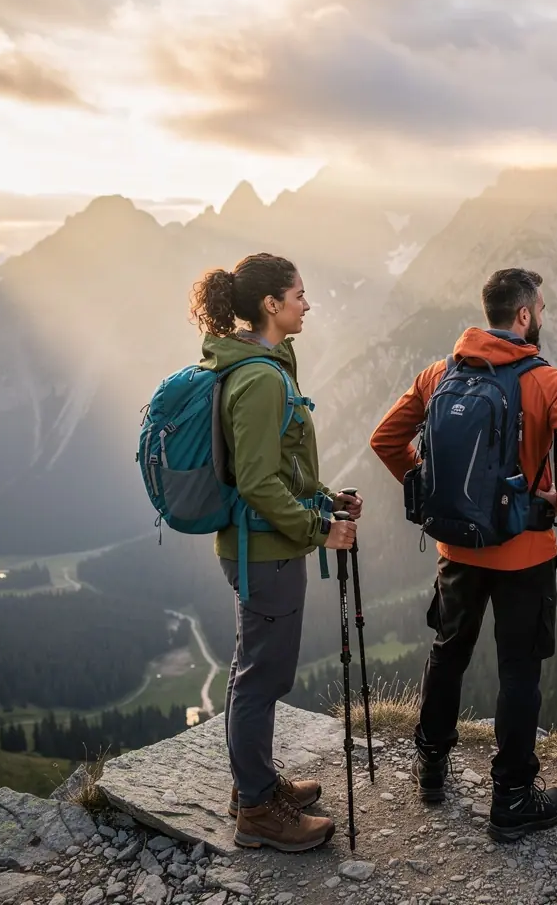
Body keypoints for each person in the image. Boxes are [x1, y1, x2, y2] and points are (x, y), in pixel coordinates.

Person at [370, 268, 557, 842]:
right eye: (542, 310)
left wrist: (429, 488)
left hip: (457, 547)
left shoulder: (439, 373)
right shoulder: (549, 382)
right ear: (524, 316)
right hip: (524, 552)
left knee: (448, 651)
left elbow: (384, 438)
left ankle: (431, 768)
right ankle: (512, 796)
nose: (543, 319)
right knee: (519, 671)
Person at [190, 252, 361, 853]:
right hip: (265, 552)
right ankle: (258, 812)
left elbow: (282, 466)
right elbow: (259, 482)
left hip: (259, 547)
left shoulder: (264, 364)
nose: (307, 304)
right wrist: (321, 532)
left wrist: (324, 495)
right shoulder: (261, 377)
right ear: (271, 305)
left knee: (254, 669)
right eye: (299, 294)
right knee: (262, 677)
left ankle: (253, 784)